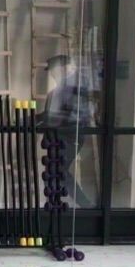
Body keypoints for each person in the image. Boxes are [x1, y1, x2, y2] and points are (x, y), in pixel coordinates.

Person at [40, 54, 98, 207]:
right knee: (54, 171)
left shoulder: (75, 88)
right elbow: (49, 115)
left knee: (58, 170)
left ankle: (84, 205)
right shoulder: (57, 91)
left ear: (62, 69)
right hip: (57, 137)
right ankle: (54, 203)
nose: (52, 74)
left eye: (53, 70)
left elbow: (74, 116)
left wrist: (49, 121)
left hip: (68, 137)